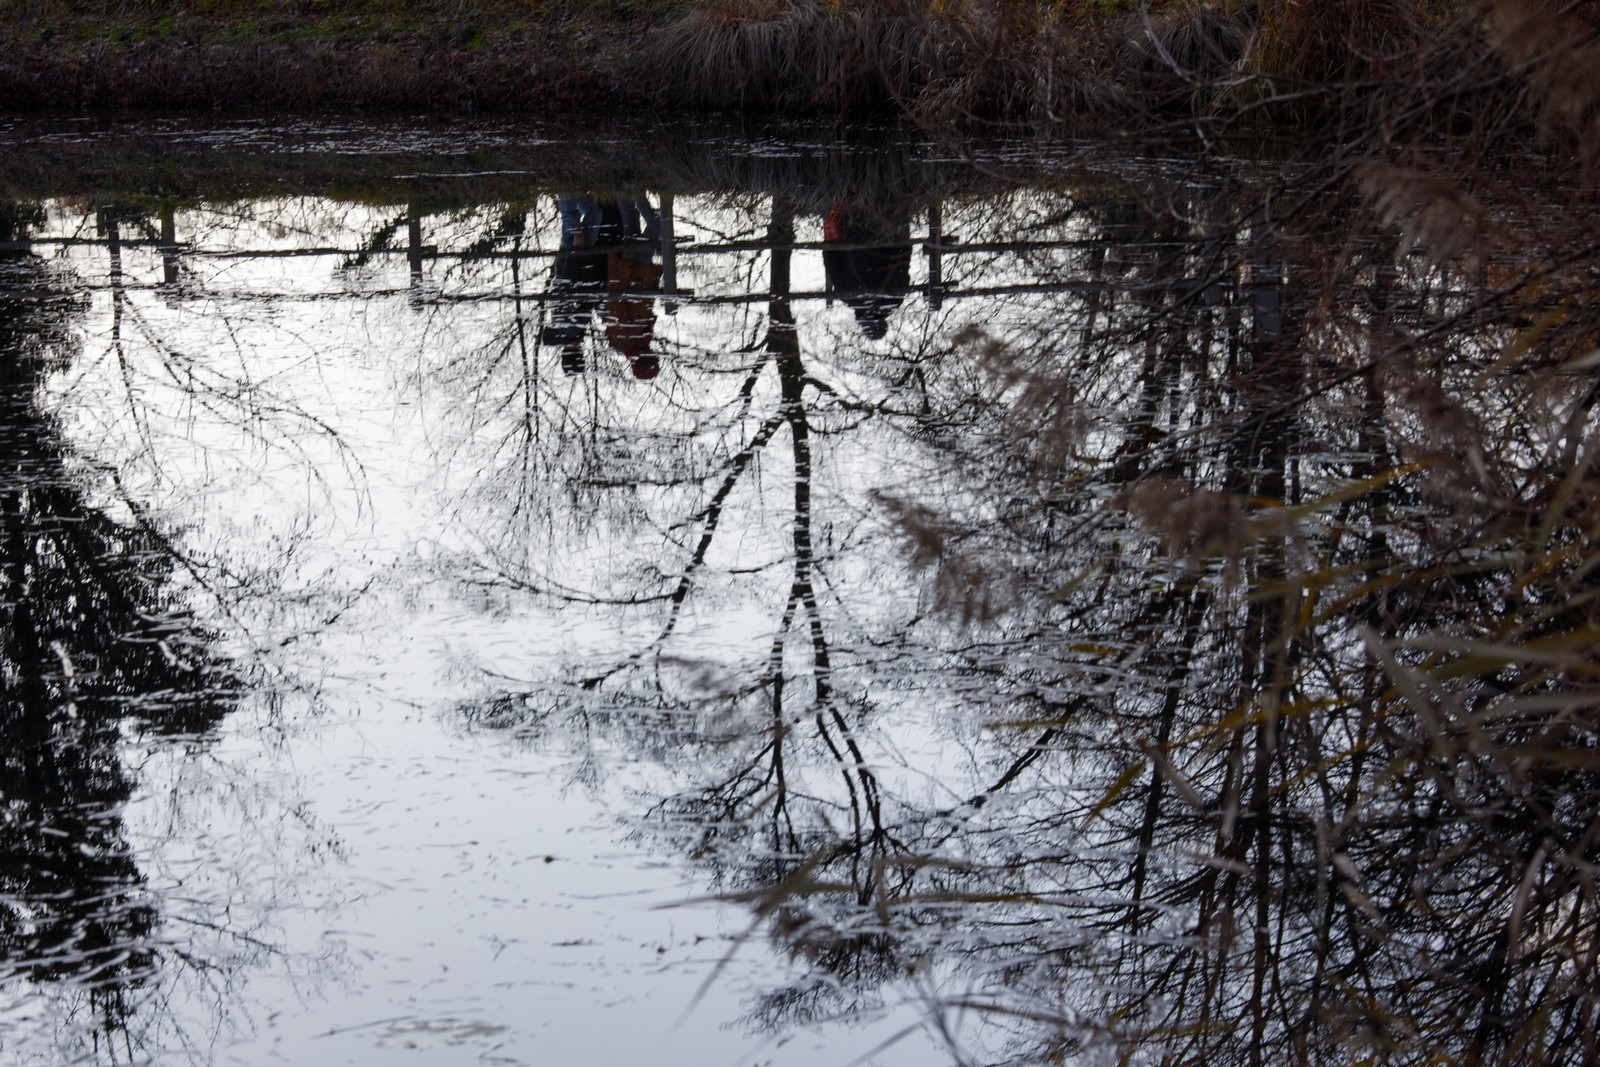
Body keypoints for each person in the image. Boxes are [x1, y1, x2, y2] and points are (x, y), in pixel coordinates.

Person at [821, 201, 911, 341]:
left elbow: (902, 260)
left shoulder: (895, 299)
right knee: (853, 199)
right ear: (862, 323)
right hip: (856, 227)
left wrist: (902, 230)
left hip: (888, 226)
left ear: (884, 322)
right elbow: (831, 257)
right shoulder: (847, 296)